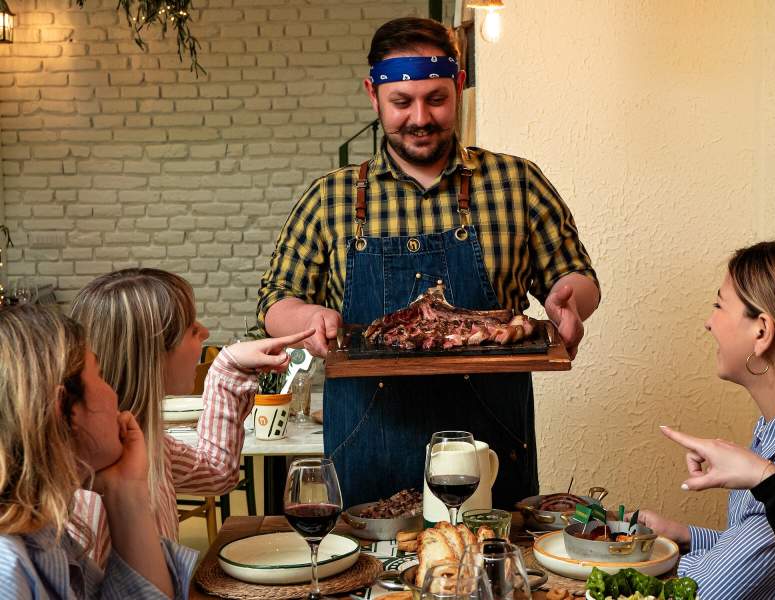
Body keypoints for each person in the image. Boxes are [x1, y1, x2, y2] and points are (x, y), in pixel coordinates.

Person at [258, 17, 600, 507]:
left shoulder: (516, 183)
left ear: (458, 87)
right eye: (401, 102)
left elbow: (575, 277)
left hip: (490, 454)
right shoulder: (329, 197)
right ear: (372, 95)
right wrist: (308, 317)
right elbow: (275, 300)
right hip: (364, 457)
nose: (420, 117)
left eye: (436, 98)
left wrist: (571, 302)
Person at [70, 268, 313, 564]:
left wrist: (228, 366)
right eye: (191, 328)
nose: (206, 332)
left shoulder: (144, 439)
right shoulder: (91, 497)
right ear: (153, 354)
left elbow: (216, 472)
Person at [633, 240, 775, 598]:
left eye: (718, 306)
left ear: (762, 331)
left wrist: (643, 560)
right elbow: (773, 554)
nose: (709, 324)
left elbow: (705, 591)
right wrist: (688, 537)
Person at [0, 304, 196, 598]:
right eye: (100, 375)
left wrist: (125, 491)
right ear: (63, 409)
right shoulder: (8, 571)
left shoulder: (45, 535)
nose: (113, 392)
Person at [658, 426, 775, 582]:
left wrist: (654, 560)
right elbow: (754, 547)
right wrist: (685, 536)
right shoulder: (769, 432)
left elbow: (709, 588)